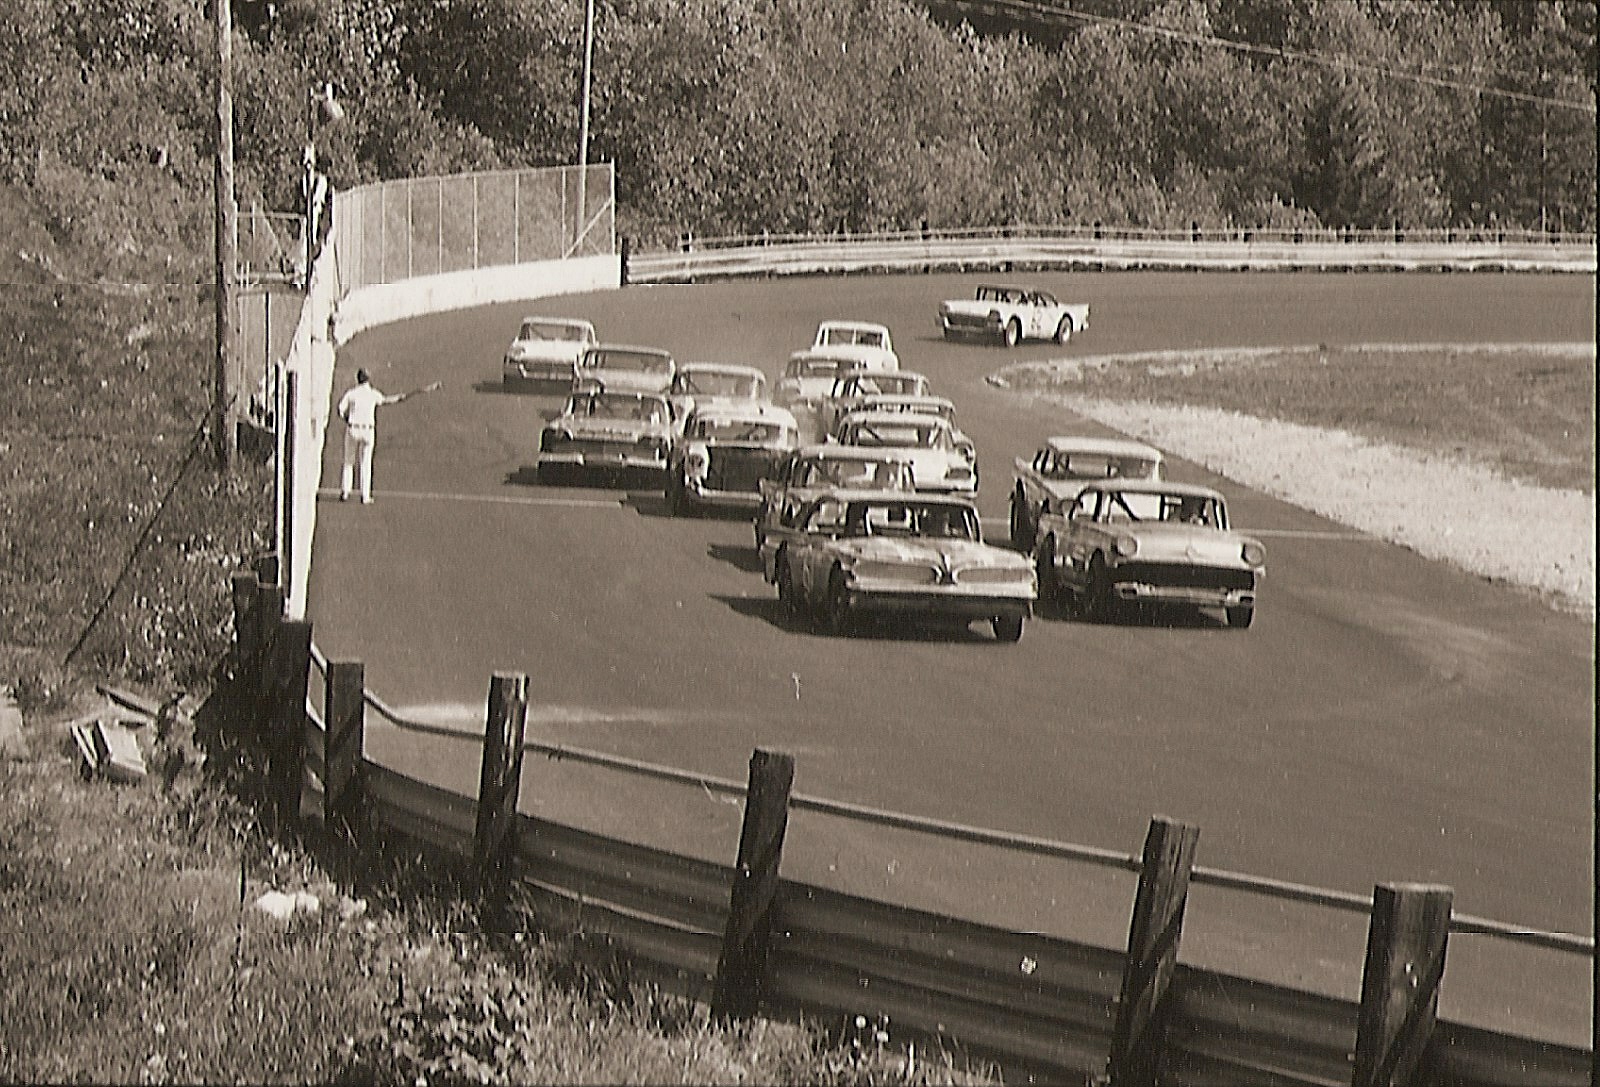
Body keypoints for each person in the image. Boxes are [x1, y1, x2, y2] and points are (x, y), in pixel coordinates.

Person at [336, 368, 436, 503]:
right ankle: (365, 496)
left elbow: (340, 410)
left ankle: (345, 492)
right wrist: (404, 396)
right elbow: (389, 400)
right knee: (366, 463)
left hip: (353, 429)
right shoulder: (373, 394)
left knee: (348, 460)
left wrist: (347, 419)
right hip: (368, 430)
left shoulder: (351, 393)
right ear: (368, 379)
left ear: (357, 379)